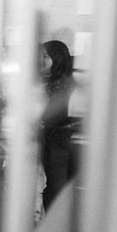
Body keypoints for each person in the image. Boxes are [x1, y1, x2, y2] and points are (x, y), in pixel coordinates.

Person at [38, 39, 79, 210]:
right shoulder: (45, 83)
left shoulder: (65, 85)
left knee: (58, 188)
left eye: (45, 56)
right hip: (52, 139)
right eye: (39, 56)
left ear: (57, 58)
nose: (40, 60)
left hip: (61, 140)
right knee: (55, 187)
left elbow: (49, 114)